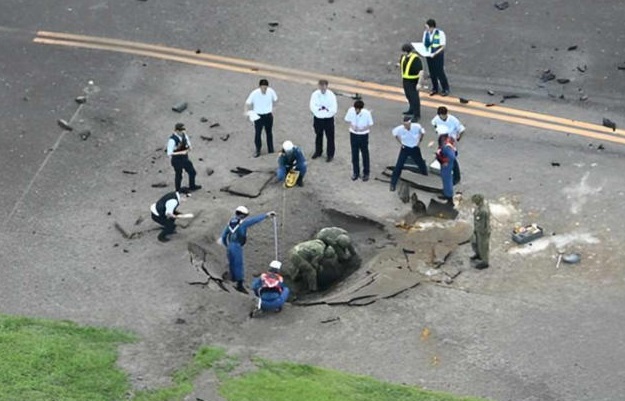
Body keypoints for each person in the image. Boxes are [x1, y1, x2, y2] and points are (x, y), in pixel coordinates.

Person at [220, 206, 276, 293]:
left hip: (230, 245)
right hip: (237, 245)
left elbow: (224, 236)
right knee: (238, 264)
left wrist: (226, 245)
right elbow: (254, 220)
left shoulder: (230, 223)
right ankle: (239, 284)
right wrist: (266, 215)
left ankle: (232, 279)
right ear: (242, 215)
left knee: (232, 263)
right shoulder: (243, 223)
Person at [389, 115, 429, 192]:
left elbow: (422, 132)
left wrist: (419, 141)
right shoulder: (399, 129)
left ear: (410, 123)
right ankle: (393, 183)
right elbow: (395, 134)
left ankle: (425, 175)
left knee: (420, 162)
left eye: (407, 125)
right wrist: (400, 143)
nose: (406, 126)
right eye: (405, 125)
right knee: (399, 165)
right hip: (405, 148)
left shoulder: (417, 126)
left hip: (415, 148)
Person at [431, 106, 465, 184]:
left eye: (445, 115)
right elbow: (434, 124)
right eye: (442, 115)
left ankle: (456, 177)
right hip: (442, 139)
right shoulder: (436, 119)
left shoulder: (453, 120)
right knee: (442, 156)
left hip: (450, 140)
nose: (444, 117)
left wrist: (459, 137)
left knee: (451, 158)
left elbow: (461, 129)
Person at [245, 79, 278, 157]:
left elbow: (276, 100)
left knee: (269, 133)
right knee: (258, 133)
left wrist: (274, 109)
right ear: (260, 87)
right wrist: (247, 113)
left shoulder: (271, 92)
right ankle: (258, 150)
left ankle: (271, 149)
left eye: (266, 88)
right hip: (258, 116)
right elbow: (247, 103)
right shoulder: (254, 93)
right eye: (263, 88)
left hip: (268, 115)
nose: (264, 89)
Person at [344, 99, 374, 181]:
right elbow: (347, 120)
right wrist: (352, 126)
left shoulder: (367, 113)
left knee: (365, 154)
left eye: (358, 109)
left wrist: (362, 129)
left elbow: (370, 124)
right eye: (356, 109)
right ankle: (355, 172)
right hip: (353, 134)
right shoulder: (351, 111)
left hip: (363, 135)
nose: (357, 110)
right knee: (354, 154)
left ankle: (366, 173)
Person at [167, 123, 201, 194]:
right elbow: (169, 153)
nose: (183, 131)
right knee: (179, 174)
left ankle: (192, 186)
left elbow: (188, 145)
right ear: (176, 130)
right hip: (177, 160)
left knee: (192, 172)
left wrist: (188, 148)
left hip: (185, 158)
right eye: (181, 130)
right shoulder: (172, 140)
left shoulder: (184, 136)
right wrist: (180, 152)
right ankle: (178, 190)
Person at [309, 79, 338, 162]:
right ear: (319, 86)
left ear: (326, 86)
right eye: (321, 85)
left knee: (330, 137)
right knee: (318, 135)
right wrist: (320, 110)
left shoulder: (331, 95)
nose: (322, 87)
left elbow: (333, 108)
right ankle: (318, 151)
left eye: (324, 85)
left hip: (328, 119)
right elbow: (312, 106)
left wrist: (325, 111)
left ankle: (330, 154)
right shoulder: (315, 94)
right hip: (318, 118)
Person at [423, 19, 450, 96]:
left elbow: (443, 46)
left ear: (432, 27)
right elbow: (425, 43)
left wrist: (435, 53)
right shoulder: (426, 33)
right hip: (429, 54)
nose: (426, 29)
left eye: (427, 27)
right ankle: (435, 88)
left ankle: (445, 88)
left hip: (438, 55)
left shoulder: (440, 33)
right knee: (432, 72)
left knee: (440, 72)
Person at [399, 43, 423, 121]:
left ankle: (417, 115)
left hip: (413, 80)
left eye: (403, 51)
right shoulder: (403, 57)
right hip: (405, 80)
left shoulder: (416, 59)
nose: (402, 53)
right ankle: (411, 109)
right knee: (408, 96)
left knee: (414, 98)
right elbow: (401, 63)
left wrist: (419, 83)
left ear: (407, 51)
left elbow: (421, 72)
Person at [435, 126, 456, 202]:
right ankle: (446, 192)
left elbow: (452, 155)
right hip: (445, 163)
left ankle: (448, 195)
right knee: (446, 178)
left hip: (446, 164)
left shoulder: (446, 145)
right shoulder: (446, 139)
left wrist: (445, 162)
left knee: (446, 179)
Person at [471, 194, 491, 270]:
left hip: (483, 231)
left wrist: (482, 232)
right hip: (477, 228)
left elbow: (484, 224)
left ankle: (485, 262)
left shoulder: (483, 211)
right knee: (475, 242)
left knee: (483, 246)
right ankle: (478, 254)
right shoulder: (479, 207)